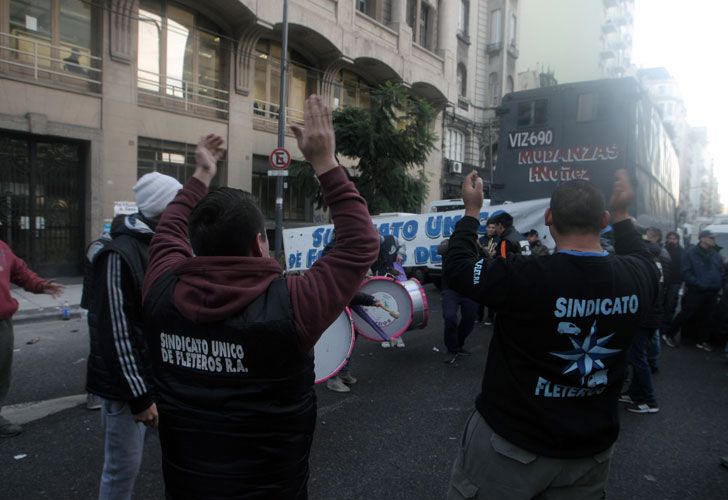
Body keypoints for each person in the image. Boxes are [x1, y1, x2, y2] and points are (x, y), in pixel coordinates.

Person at [142, 96, 379, 499]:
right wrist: (324, 159)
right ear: (258, 244)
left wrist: (201, 174)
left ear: (195, 246)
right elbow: (360, 243)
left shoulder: (161, 289)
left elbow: (168, 227)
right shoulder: (293, 304)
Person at [444, 170, 657, 499]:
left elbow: (458, 267)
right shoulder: (637, 275)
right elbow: (642, 253)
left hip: (511, 446)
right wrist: (623, 213)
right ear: (603, 220)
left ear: (548, 218)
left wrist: (472, 211)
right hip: (590, 453)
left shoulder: (524, 276)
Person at [86, 172, 182, 500]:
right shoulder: (118, 254)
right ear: (162, 209)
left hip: (160, 380)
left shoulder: (165, 247)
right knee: (121, 471)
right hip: (128, 391)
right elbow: (116, 333)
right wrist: (140, 397)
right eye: (178, 203)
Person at [0, 244, 63, 437]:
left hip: (1, 322)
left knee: (1, 373)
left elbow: (20, 272)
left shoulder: (2, 249)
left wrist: (41, 285)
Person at [619, 226, 668, 413]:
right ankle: (634, 393)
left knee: (638, 358)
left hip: (645, 317)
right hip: (652, 316)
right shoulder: (655, 262)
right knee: (638, 356)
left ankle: (649, 400)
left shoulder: (646, 265)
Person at [663, 229, 722, 351]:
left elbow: (719, 270)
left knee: (707, 317)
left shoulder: (715, 254)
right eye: (711, 238)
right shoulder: (690, 253)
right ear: (702, 239)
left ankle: (702, 341)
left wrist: (718, 283)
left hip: (712, 291)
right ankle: (668, 334)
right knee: (686, 313)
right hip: (696, 290)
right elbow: (685, 272)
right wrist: (698, 283)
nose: (713, 240)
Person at [438, 239, 479, 364]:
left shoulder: (474, 244)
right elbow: (440, 250)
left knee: (470, 319)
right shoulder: (449, 242)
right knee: (450, 317)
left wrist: (479, 246)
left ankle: (459, 344)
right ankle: (451, 349)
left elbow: (487, 259)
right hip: (451, 290)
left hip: (469, 290)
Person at [661, 231, 684, 347]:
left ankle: (665, 331)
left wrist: (681, 281)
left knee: (670, 306)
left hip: (675, 282)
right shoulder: (663, 250)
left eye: (674, 238)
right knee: (661, 305)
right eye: (670, 238)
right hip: (663, 281)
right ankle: (659, 330)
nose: (672, 240)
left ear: (678, 240)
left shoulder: (682, 252)